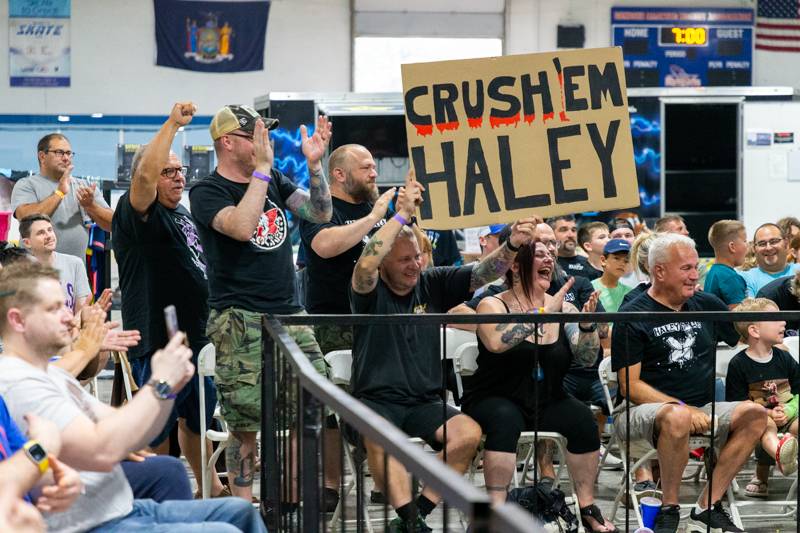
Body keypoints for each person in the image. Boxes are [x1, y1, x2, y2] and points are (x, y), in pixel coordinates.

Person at [0, 261, 266, 532]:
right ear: (18, 320)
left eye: (64, 306)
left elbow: (130, 431)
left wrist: (168, 389)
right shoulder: (20, 383)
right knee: (225, 530)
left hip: (123, 508)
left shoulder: (51, 374)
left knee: (239, 512)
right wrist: (160, 384)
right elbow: (104, 448)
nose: (69, 317)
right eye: (53, 309)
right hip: (95, 525)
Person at [349, 173, 531, 532]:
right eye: (404, 260)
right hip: (374, 400)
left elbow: (482, 274)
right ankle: (413, 523)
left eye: (417, 257)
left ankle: (414, 516)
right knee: (378, 435)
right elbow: (366, 265)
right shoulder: (369, 291)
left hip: (423, 401)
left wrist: (511, 245)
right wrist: (399, 216)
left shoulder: (431, 283)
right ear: (386, 261)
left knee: (468, 434)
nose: (415, 265)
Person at [190, 104, 332, 502]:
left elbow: (320, 213)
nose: (263, 141)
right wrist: (262, 172)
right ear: (228, 142)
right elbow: (240, 226)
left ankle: (285, 500)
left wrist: (316, 166)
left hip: (289, 312)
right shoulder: (206, 190)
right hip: (239, 316)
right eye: (255, 134)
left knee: (313, 402)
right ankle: (243, 508)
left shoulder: (273, 179)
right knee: (245, 422)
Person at [612, 233, 766, 533]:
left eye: (696, 267)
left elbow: (747, 336)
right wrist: (681, 407)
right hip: (638, 411)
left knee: (755, 415)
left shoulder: (705, 304)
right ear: (659, 271)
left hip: (701, 408)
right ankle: (670, 508)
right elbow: (628, 385)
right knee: (679, 417)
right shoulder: (634, 313)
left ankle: (707, 505)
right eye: (686, 269)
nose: (695, 275)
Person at [463, 238, 616, 532]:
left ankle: (587, 506)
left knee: (583, 418)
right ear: (517, 267)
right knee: (505, 419)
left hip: (546, 398)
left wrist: (586, 327)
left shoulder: (564, 308)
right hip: (494, 396)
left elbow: (585, 358)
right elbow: (496, 343)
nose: (549, 260)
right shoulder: (493, 303)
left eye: (551, 255)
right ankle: (493, 509)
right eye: (540, 255)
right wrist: (544, 313)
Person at [111, 102, 224, 498]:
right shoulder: (138, 211)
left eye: (181, 171)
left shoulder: (182, 214)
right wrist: (173, 125)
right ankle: (153, 500)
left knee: (195, 423)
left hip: (193, 340)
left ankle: (209, 489)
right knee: (155, 426)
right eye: (169, 172)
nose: (180, 178)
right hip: (158, 342)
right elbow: (142, 175)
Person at [298, 143, 394, 510]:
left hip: (378, 319)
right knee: (331, 410)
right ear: (339, 174)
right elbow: (324, 246)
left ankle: (384, 478)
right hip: (332, 319)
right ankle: (331, 484)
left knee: (383, 400)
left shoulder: (379, 208)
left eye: (374, 166)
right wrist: (374, 220)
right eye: (367, 167)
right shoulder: (320, 207)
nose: (374, 173)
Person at [726, 298, 799, 498]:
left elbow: (799, 391)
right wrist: (767, 412)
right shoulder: (739, 364)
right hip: (758, 418)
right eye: (775, 318)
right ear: (754, 331)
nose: (783, 322)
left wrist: (790, 410)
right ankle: (776, 462)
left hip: (789, 413)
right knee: (765, 426)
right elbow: (736, 404)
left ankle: (786, 454)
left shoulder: (785, 358)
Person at [11, 134, 113, 260]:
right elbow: (26, 218)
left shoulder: (84, 187)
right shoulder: (26, 185)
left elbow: (113, 224)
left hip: (75, 272)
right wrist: (59, 193)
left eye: (69, 153)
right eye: (59, 152)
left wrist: (91, 207)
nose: (66, 158)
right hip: (35, 272)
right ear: (42, 156)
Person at [19, 214, 91, 315]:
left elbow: (82, 306)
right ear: (27, 243)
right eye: (41, 233)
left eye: (50, 230)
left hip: (71, 328)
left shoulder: (75, 263)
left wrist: (74, 327)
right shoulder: (21, 270)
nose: (49, 236)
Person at [740, 223, 800, 297]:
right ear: (754, 249)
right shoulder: (745, 279)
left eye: (774, 241)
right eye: (762, 243)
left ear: (786, 243)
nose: (768, 248)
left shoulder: (798, 271)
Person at [705, 220, 748, 309]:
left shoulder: (713, 272)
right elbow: (740, 317)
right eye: (744, 241)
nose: (747, 245)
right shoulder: (730, 278)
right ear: (732, 247)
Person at [591, 239, 633, 314]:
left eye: (626, 261)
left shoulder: (630, 293)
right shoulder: (590, 288)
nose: (622, 264)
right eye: (617, 258)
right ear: (603, 260)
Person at [550, 214, 595, 279]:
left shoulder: (590, 264)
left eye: (573, 230)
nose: (571, 235)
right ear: (551, 234)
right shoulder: (546, 263)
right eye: (564, 230)